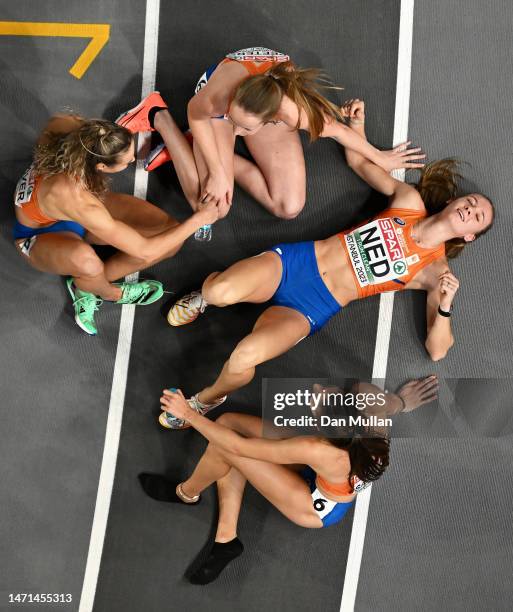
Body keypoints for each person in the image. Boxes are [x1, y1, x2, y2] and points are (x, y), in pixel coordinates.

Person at [162, 99, 494, 429]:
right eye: (472, 202)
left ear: (469, 236)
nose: (471, 209)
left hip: (314, 305)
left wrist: (446, 308)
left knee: (245, 355)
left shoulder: (436, 273)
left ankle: (206, 400)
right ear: (453, 201)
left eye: (477, 217)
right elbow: (358, 163)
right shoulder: (409, 201)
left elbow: (437, 351)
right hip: (297, 262)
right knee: (220, 291)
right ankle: (204, 298)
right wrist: (357, 129)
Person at [139, 377, 437, 583]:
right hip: (330, 473)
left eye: (320, 400)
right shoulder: (370, 410)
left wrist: (188, 414)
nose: (318, 390)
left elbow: (237, 447)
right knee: (228, 423)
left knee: (224, 446)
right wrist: (402, 401)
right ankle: (226, 540)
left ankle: (185, 494)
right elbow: (391, 405)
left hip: (315, 505)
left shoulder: (316, 449)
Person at [117, 47, 423, 221]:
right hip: (217, 110)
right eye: (236, 125)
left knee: (288, 206)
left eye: (245, 129)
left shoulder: (293, 113)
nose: (237, 132)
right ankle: (159, 116)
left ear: (274, 120)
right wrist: (217, 172)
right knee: (210, 207)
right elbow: (197, 116)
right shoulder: (216, 99)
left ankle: (187, 147)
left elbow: (339, 132)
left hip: (260, 97)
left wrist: (380, 156)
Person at [13, 113, 218, 335]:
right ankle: (101, 290)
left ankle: (93, 282)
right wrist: (199, 219)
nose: (132, 161)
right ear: (101, 166)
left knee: (170, 234)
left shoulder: (72, 129)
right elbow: (146, 251)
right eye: (128, 161)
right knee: (89, 264)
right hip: (38, 234)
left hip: (67, 209)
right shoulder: (80, 201)